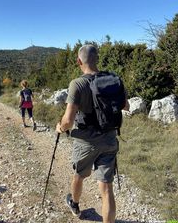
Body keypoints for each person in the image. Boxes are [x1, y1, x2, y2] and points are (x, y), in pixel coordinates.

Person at [56, 44, 129, 223]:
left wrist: (60, 127)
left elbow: (68, 121)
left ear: (79, 61)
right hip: (110, 139)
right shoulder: (113, 79)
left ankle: (74, 203)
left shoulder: (77, 84)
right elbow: (126, 106)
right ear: (97, 59)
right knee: (106, 189)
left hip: (86, 142)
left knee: (79, 175)